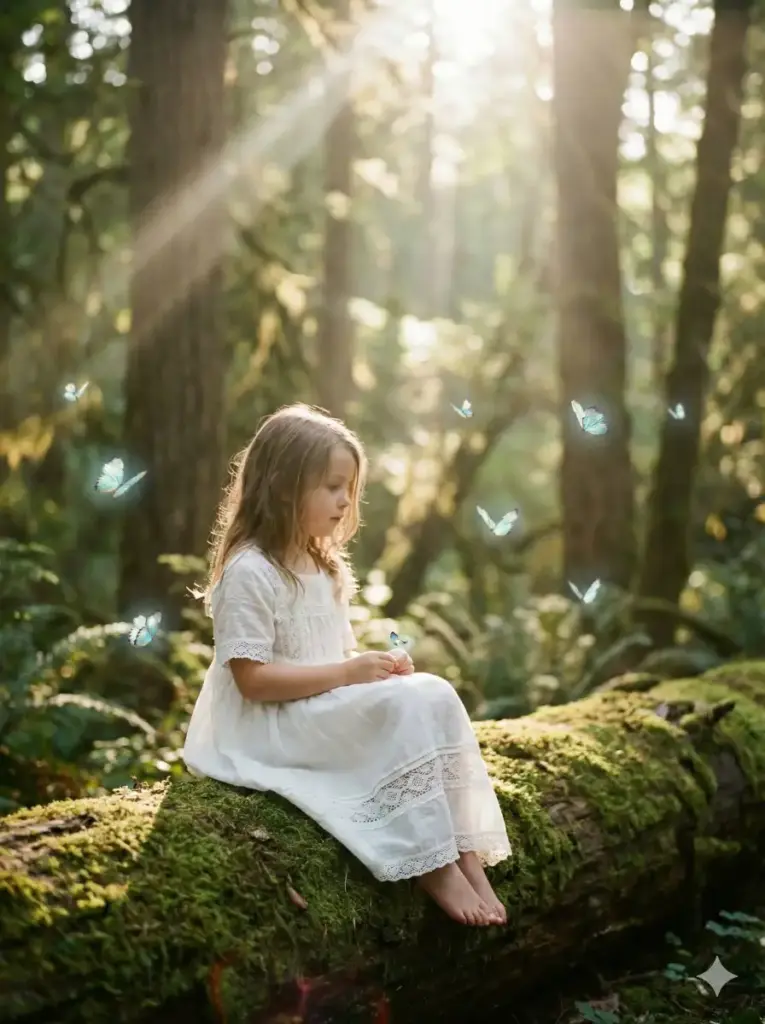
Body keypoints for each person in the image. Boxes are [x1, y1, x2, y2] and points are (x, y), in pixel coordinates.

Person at [183, 403, 511, 926]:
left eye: (350, 489)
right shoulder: (251, 571)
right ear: (286, 485)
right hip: (266, 725)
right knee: (404, 707)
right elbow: (251, 682)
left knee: (432, 692)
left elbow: (338, 657)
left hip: (316, 704)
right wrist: (349, 675)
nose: (345, 501)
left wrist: (373, 669)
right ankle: (431, 862)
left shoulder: (322, 564)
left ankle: (462, 851)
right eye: (332, 487)